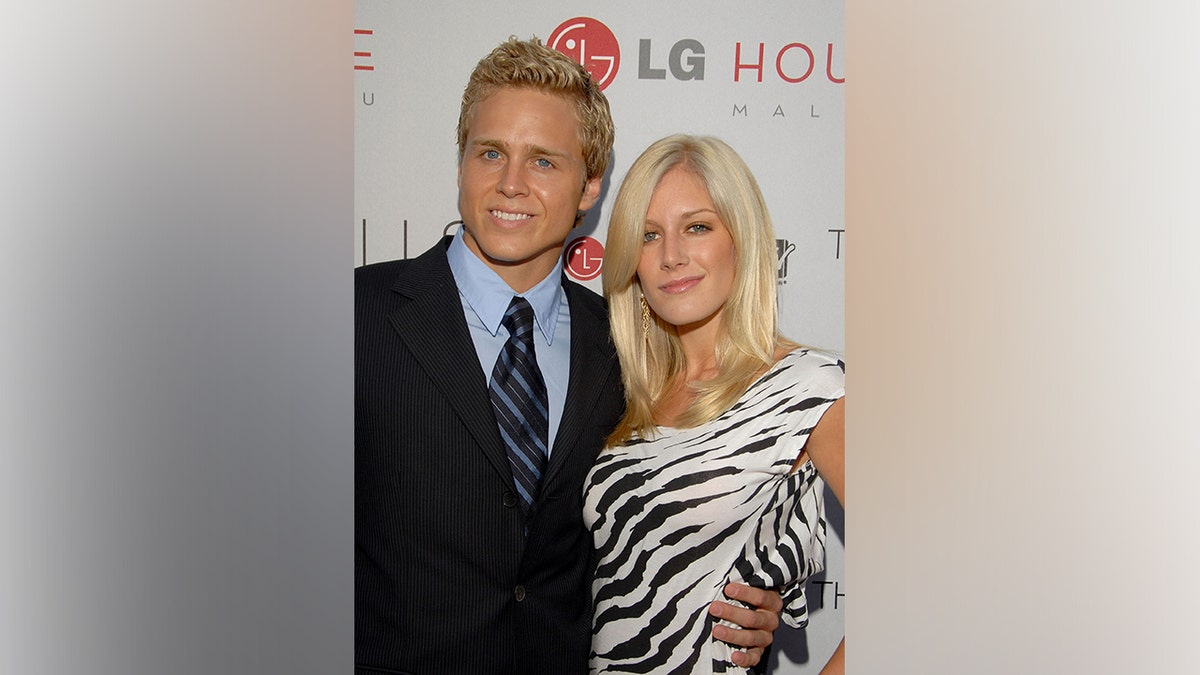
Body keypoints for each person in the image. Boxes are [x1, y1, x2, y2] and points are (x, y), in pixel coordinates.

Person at [356, 39, 781, 675]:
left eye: (544, 162)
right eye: (491, 152)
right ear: (462, 163)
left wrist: (746, 596)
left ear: (590, 187)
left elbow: (670, 520)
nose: (510, 183)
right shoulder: (356, 315)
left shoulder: (632, 349)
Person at [585, 134, 847, 674]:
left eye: (697, 227)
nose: (671, 256)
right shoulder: (628, 393)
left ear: (741, 238)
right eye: (648, 235)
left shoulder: (809, 385)